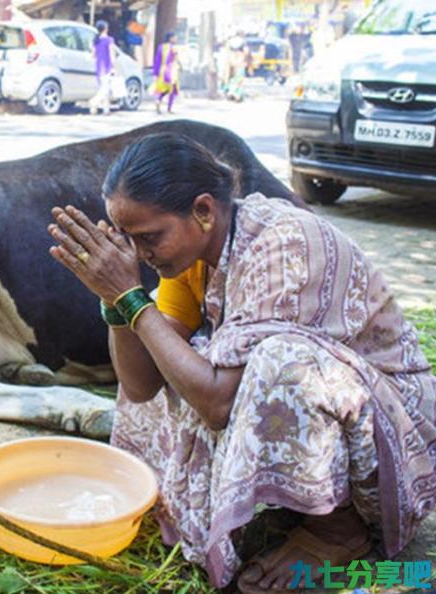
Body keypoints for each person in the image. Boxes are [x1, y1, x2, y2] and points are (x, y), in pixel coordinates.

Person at [47, 133, 436, 593]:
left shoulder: (284, 243)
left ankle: (339, 529)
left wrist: (133, 301)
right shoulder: (192, 258)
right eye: (128, 241)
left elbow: (218, 403)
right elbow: (140, 388)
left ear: (204, 212)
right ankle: (284, 509)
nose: (139, 255)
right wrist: (115, 301)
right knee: (159, 342)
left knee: (280, 362)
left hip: (395, 425)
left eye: (148, 238)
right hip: (339, 420)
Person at [88, 20, 116, 116]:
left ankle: (106, 110)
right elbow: (112, 55)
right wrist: (113, 67)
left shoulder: (95, 41)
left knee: (105, 89)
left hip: (99, 67)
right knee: (105, 90)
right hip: (107, 67)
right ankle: (94, 102)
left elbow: (93, 55)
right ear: (105, 29)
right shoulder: (109, 40)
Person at [152, 31, 180, 114]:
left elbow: (157, 60)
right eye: (175, 37)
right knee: (172, 90)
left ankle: (158, 100)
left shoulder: (161, 47)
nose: (176, 39)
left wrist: (156, 72)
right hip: (171, 70)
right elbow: (175, 60)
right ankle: (169, 108)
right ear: (171, 38)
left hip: (162, 70)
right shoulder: (174, 48)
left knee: (165, 88)